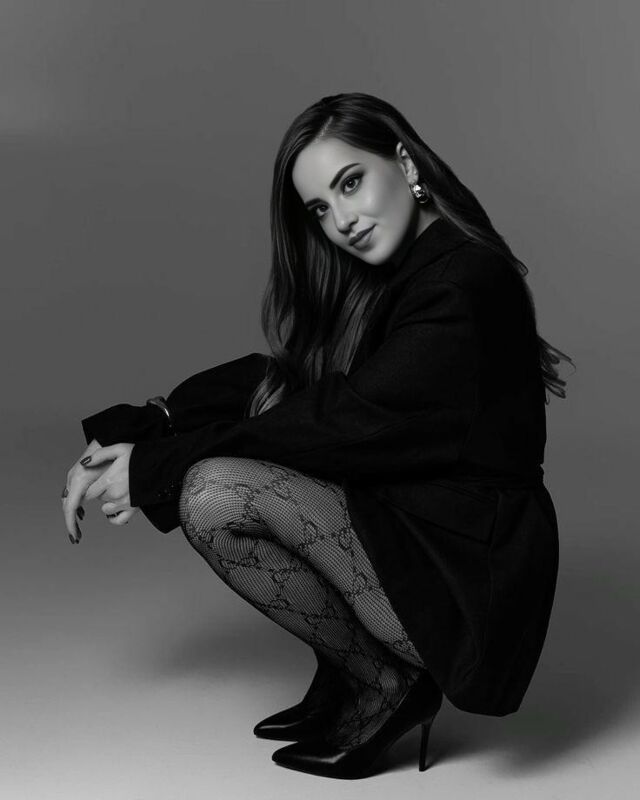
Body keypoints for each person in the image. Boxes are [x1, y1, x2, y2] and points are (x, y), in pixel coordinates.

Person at [61, 92, 572, 780]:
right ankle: (357, 675)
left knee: (212, 492)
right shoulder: (402, 273)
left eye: (350, 183)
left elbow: (343, 420)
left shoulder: (463, 282)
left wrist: (157, 466)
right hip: (418, 526)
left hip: (468, 570)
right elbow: (286, 381)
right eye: (320, 209)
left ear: (406, 163)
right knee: (219, 474)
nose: (343, 221)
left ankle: (386, 682)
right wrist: (153, 426)